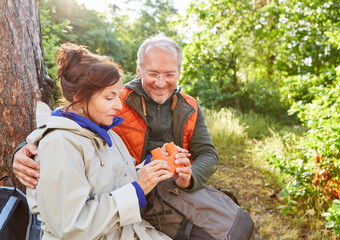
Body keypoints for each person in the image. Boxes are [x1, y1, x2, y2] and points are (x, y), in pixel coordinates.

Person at [13, 33, 219, 191]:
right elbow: (69, 118)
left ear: (180, 72)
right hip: (124, 194)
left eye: (169, 74)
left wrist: (189, 177)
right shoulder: (115, 98)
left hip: (176, 193)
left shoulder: (189, 106)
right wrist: (24, 149)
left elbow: (208, 154)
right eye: (153, 73)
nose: (160, 82)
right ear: (139, 71)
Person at [26, 43, 177, 239]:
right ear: (80, 98)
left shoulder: (107, 133)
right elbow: (70, 227)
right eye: (109, 97)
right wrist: (138, 189)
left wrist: (152, 167)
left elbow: (118, 182)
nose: (119, 105)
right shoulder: (59, 144)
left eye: (119, 96)